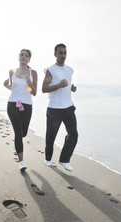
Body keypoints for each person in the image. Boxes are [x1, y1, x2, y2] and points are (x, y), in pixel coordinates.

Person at [42, 43, 78, 171]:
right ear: (55, 54)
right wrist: (58, 85)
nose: (63, 55)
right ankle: (47, 159)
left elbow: (67, 86)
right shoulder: (50, 70)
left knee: (73, 134)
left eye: (64, 53)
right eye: (60, 53)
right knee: (51, 137)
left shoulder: (70, 70)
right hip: (54, 109)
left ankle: (64, 160)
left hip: (68, 107)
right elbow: (44, 89)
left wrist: (71, 88)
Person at [4, 49, 38, 170]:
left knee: (23, 133)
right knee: (18, 133)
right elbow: (13, 87)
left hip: (27, 105)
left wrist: (29, 82)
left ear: (29, 59)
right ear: (18, 57)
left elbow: (33, 92)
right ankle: (21, 161)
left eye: (26, 55)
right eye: (21, 55)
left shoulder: (33, 73)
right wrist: (7, 86)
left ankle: (20, 153)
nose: (23, 57)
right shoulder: (12, 71)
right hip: (13, 104)